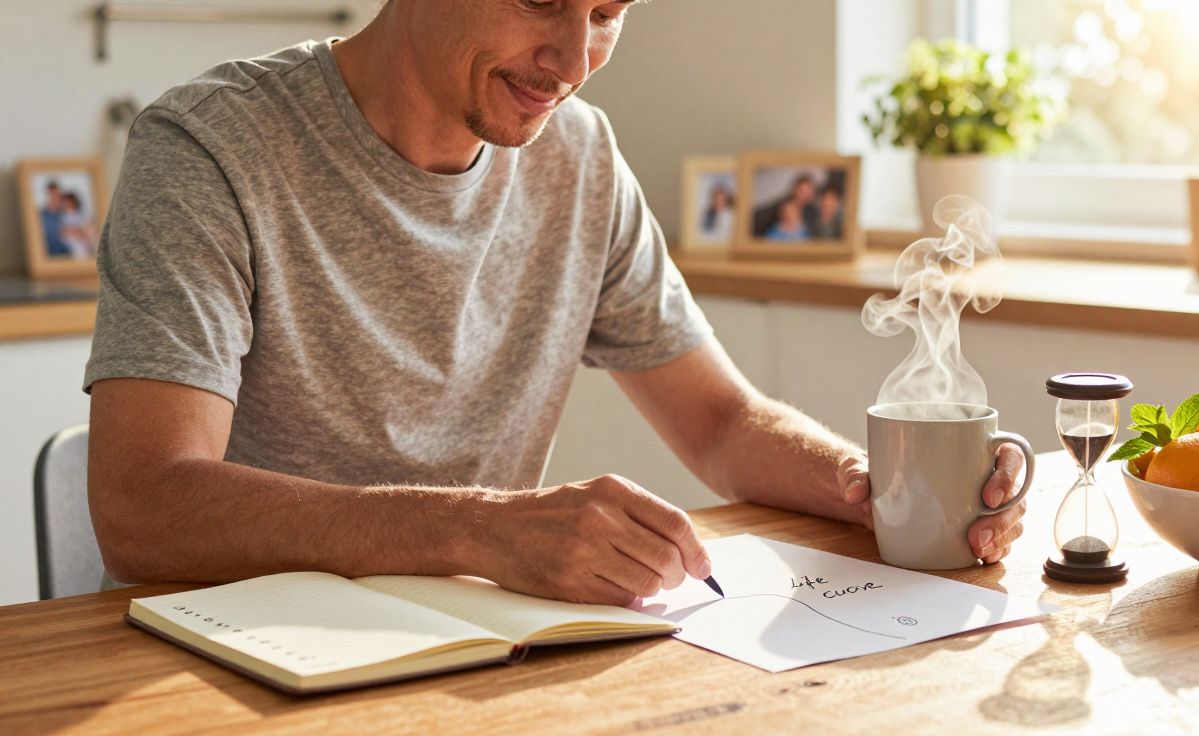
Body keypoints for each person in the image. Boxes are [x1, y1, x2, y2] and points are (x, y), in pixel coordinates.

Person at [85, 0, 1026, 607]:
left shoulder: (580, 157)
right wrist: (482, 528)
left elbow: (722, 423)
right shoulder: (210, 148)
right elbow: (143, 507)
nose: (573, 59)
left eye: (607, 13)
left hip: (475, 649)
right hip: (240, 657)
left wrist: (876, 488)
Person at [59, 191, 97, 258]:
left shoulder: (83, 214)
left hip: (86, 247)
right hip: (72, 250)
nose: (67, 204)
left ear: (73, 201)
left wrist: (79, 232)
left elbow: (88, 228)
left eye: (68, 201)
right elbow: (64, 232)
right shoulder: (62, 218)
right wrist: (77, 232)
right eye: (64, 202)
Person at [39, 181, 71, 257]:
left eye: (56, 194)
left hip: (68, 254)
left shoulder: (68, 213)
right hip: (49, 255)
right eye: (52, 194)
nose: (54, 197)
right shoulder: (41, 215)